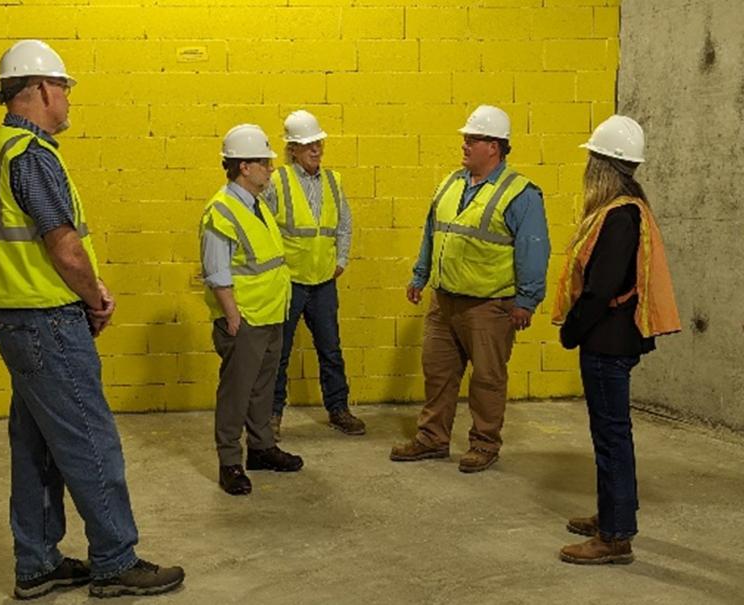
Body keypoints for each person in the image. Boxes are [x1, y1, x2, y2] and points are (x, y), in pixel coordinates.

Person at [0, 39, 184, 599]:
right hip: (46, 320)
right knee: (90, 440)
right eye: (64, 88)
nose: (67, 99)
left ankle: (37, 563)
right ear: (41, 89)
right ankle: (115, 560)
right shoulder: (33, 156)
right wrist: (94, 296)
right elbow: (64, 249)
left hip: (15, 317)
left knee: (37, 442)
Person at [389, 105, 551, 473]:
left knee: (487, 379)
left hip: (490, 307)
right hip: (444, 301)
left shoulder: (521, 195)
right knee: (439, 374)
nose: (465, 144)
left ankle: (484, 443)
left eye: (473, 139)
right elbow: (433, 232)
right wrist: (420, 276)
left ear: (494, 146)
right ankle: (432, 439)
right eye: (466, 138)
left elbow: (534, 249)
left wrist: (526, 301)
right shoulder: (451, 183)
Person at [553, 115, 680, 564]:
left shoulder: (618, 217)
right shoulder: (627, 211)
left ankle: (615, 535)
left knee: (611, 437)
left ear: (604, 168)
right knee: (610, 434)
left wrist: (571, 331)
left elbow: (600, 288)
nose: (587, 169)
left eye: (592, 161)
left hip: (607, 343)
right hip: (614, 339)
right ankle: (613, 516)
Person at [200, 123, 305, 496]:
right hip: (243, 319)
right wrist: (232, 317)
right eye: (264, 162)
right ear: (244, 166)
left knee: (262, 387)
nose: (271, 168)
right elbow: (217, 271)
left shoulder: (257, 204)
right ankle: (230, 461)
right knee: (236, 392)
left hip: (271, 313)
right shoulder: (222, 211)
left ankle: (261, 448)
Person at [263, 110, 365, 441]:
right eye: (308, 145)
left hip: (323, 282)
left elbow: (345, 223)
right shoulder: (276, 182)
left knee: (331, 349)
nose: (316, 150)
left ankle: (338, 409)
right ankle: (272, 414)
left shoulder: (333, 181)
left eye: (318, 144)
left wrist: (342, 258)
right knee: (279, 353)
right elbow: (260, 226)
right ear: (292, 149)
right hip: (289, 282)